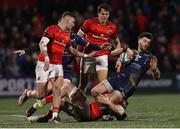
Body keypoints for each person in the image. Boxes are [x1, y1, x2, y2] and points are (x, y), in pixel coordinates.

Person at [17, 11, 96, 123]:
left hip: (62, 67)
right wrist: (28, 51)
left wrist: (89, 54)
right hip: (45, 63)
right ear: (66, 20)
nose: (74, 25)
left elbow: (74, 50)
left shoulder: (71, 36)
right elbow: (41, 44)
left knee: (59, 90)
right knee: (41, 94)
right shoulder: (52, 29)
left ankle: (54, 116)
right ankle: (30, 95)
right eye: (73, 22)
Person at [91, 32, 160, 116]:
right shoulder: (131, 51)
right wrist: (125, 49)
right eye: (144, 41)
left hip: (128, 85)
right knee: (94, 91)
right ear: (139, 41)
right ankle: (117, 108)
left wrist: (154, 70)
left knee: (107, 101)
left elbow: (157, 77)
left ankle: (115, 110)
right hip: (118, 78)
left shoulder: (150, 58)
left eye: (148, 43)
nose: (146, 44)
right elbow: (112, 53)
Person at [77, 4, 121, 93]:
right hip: (88, 55)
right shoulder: (89, 23)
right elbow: (78, 37)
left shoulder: (112, 27)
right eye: (103, 14)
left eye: (107, 14)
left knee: (102, 84)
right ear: (98, 13)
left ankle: (100, 106)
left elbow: (117, 42)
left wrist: (119, 57)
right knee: (83, 85)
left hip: (102, 55)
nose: (105, 16)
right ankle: (79, 105)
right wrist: (78, 54)